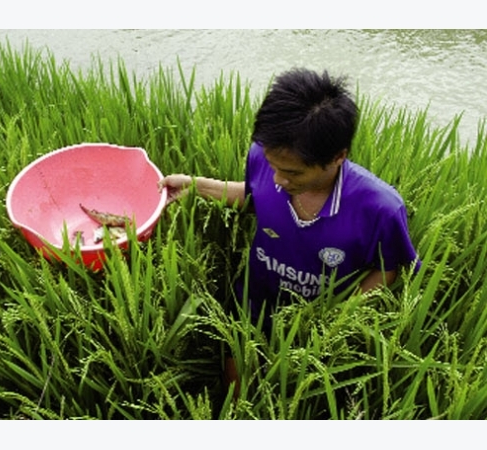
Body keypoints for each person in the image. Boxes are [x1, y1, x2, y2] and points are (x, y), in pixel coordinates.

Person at [158, 67, 419, 395]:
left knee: (298, 394)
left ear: (338, 157)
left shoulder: (380, 208)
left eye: (293, 172)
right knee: (238, 381)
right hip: (254, 298)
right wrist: (195, 187)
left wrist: (337, 318)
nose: (279, 179)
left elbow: (387, 269)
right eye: (273, 166)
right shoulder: (263, 157)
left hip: (314, 321)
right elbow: (257, 198)